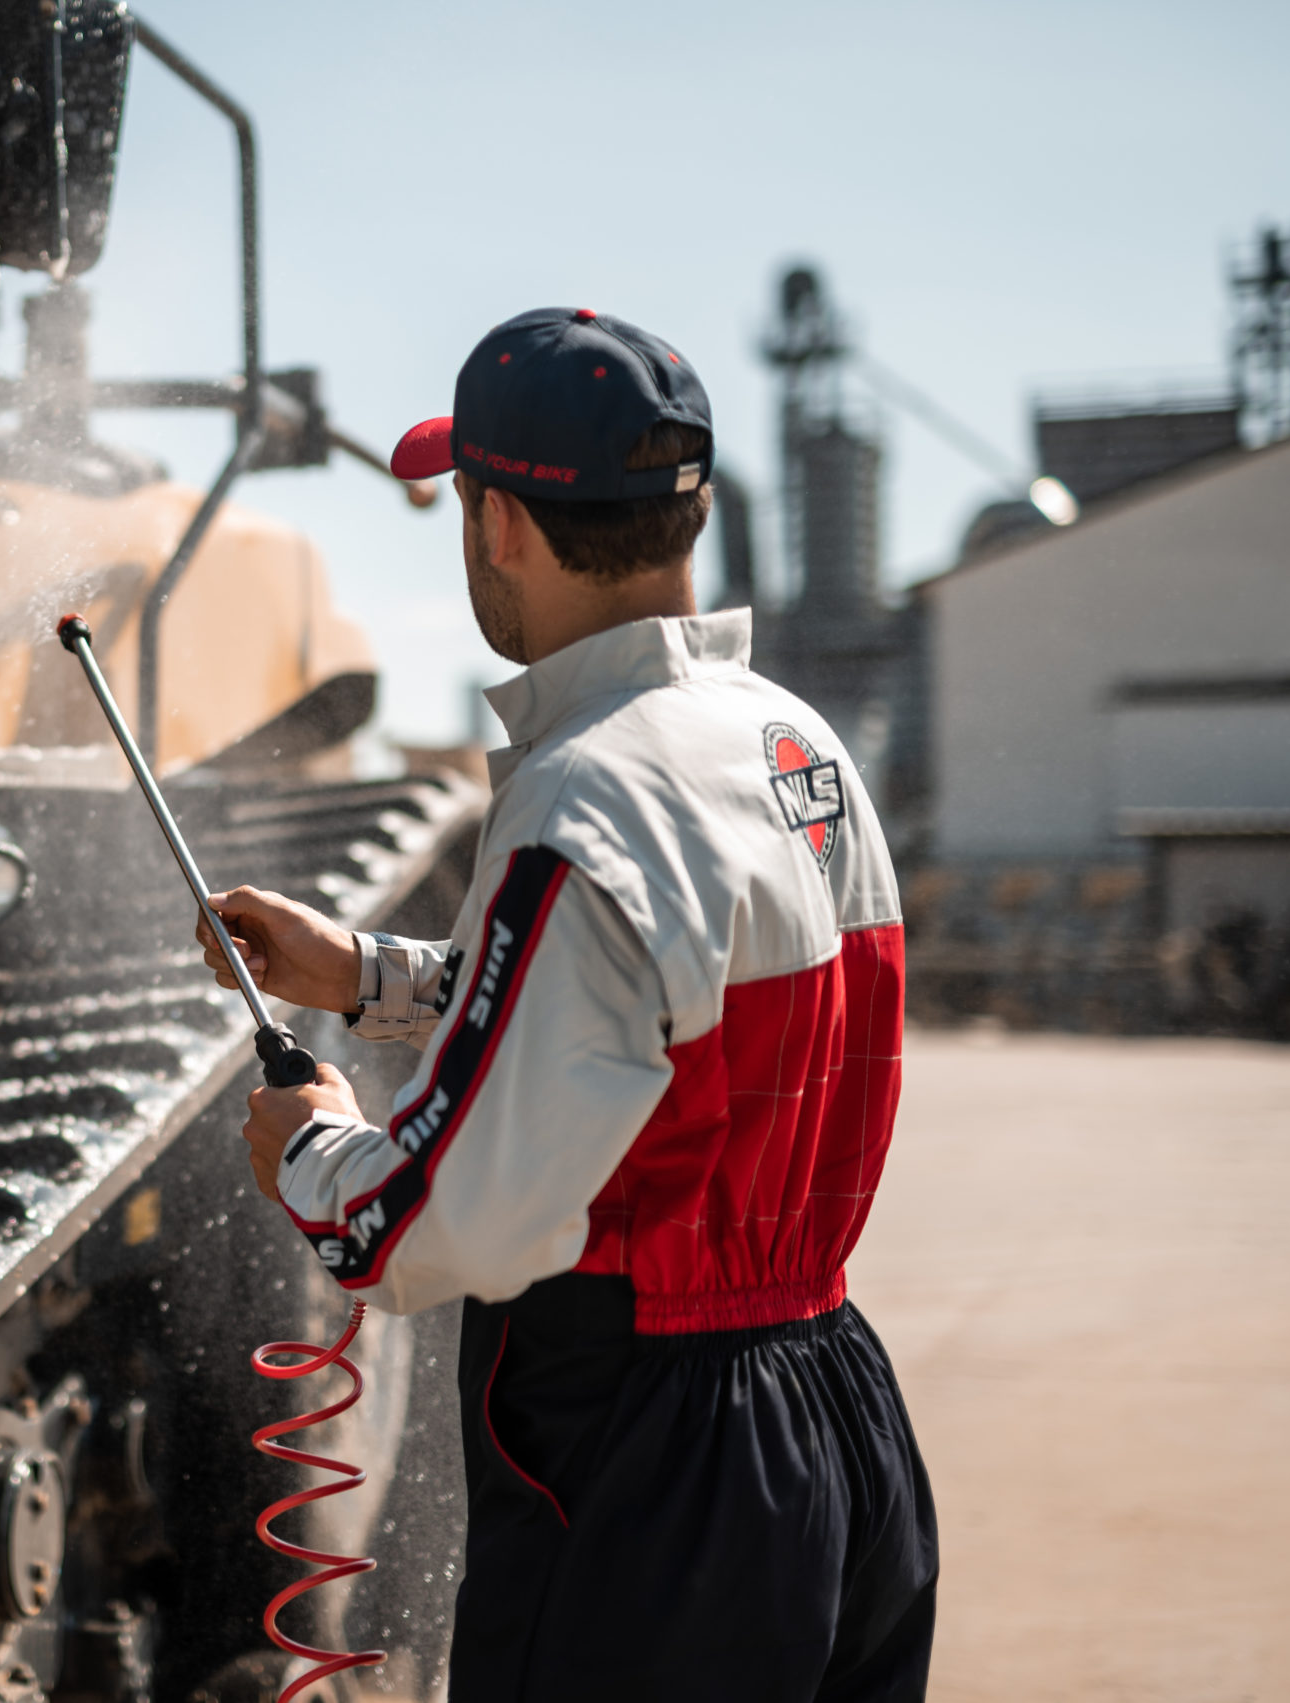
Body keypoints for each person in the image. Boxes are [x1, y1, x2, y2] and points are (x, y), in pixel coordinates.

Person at [200, 308, 936, 1700]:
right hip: (835, 1413)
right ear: (690, 514)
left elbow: (449, 1220)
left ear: (499, 529)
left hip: (651, 1474)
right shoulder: (793, 745)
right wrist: (363, 974)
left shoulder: (581, 795)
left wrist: (308, 1147)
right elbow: (662, 1016)